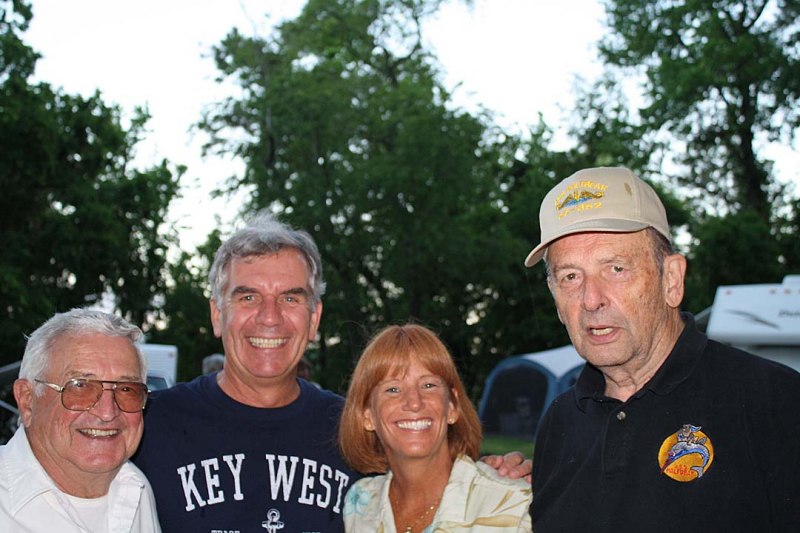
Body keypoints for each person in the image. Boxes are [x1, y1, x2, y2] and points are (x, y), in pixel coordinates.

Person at [134, 212, 530, 532]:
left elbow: (432, 470)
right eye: (249, 297)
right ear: (217, 315)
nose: (270, 317)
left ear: (314, 319)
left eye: (290, 298)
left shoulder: (355, 430)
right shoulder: (149, 424)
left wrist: (496, 473)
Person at [524, 167, 800, 531]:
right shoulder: (559, 420)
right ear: (555, 297)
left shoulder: (775, 401)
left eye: (616, 268)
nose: (591, 299)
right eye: (570, 277)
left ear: (671, 279)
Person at [339, 324, 532, 533]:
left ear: (452, 406)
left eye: (428, 385)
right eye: (393, 389)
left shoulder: (513, 504)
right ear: (367, 416)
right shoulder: (361, 504)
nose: (414, 402)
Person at [0, 309, 160, 532]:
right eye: (81, 386)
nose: (107, 413)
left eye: (126, 389)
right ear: (27, 401)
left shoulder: (136, 489)